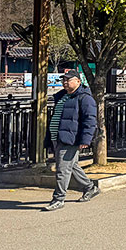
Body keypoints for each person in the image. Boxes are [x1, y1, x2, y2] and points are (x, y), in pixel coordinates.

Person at [42, 70, 99, 211]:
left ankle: (59, 198)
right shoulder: (62, 96)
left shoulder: (85, 98)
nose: (65, 83)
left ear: (78, 82)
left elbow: (90, 120)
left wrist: (86, 139)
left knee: (62, 169)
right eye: (64, 80)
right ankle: (90, 187)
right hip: (58, 136)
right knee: (71, 165)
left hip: (70, 138)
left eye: (69, 80)